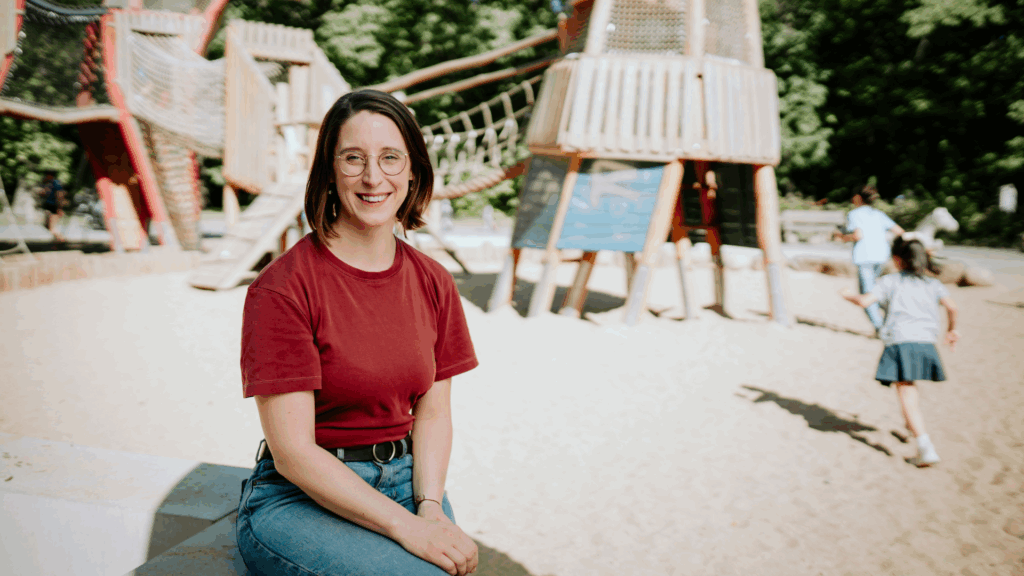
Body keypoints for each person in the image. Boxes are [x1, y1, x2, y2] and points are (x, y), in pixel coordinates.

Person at [236, 90, 480, 576]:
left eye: (391, 158)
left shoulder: (433, 280)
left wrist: (429, 505)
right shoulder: (282, 289)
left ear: (413, 171)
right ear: (329, 170)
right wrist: (407, 528)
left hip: (407, 480)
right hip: (300, 497)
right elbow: (294, 453)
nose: (374, 177)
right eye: (354, 159)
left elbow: (433, 415)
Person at [840, 236, 959, 467]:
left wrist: (847, 295)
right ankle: (909, 427)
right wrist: (952, 330)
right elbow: (952, 307)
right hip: (926, 342)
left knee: (907, 393)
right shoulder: (932, 284)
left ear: (897, 259)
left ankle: (925, 447)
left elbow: (866, 301)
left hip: (900, 342)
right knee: (910, 389)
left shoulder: (890, 281)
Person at [833, 185, 904, 332]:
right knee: (876, 290)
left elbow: (857, 235)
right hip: (882, 256)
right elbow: (899, 231)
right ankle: (886, 320)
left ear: (858, 198)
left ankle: (880, 328)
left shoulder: (854, 214)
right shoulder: (878, 214)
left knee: (867, 294)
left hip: (864, 256)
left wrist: (842, 237)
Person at [38, 170, 67, 243]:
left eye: (46, 175)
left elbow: (60, 195)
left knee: (52, 228)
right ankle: (59, 240)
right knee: (46, 225)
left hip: (54, 207)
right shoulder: (49, 184)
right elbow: (44, 193)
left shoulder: (56, 183)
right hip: (49, 207)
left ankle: (62, 240)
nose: (45, 176)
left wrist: (60, 208)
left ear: (50, 176)